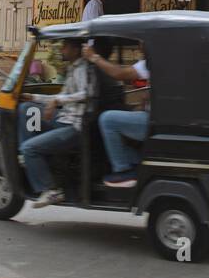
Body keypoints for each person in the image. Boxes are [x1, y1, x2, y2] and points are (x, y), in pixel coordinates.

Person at [19, 38, 91, 207]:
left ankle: (51, 190)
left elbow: (85, 94)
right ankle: (27, 158)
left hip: (73, 126)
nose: (62, 50)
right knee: (28, 109)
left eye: (65, 47)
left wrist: (57, 101)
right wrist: (34, 97)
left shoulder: (82, 69)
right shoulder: (72, 69)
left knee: (29, 148)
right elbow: (59, 97)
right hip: (63, 120)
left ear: (75, 49)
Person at [84, 44, 150, 187]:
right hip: (155, 117)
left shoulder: (150, 62)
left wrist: (93, 57)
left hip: (154, 122)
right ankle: (137, 162)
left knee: (107, 120)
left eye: (141, 43)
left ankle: (123, 170)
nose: (138, 47)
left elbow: (119, 74)